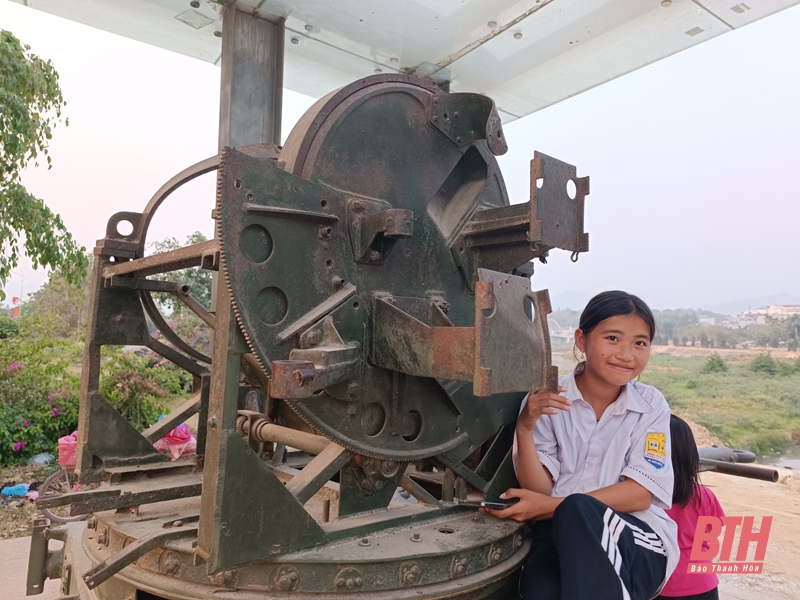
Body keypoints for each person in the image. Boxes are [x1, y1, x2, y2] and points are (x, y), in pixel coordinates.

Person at [485, 290, 679, 600]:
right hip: (560, 532)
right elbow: (541, 490)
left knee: (576, 508)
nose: (627, 354)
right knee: (539, 593)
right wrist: (524, 428)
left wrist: (549, 508)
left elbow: (640, 494)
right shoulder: (549, 399)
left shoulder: (650, 404)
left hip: (637, 540)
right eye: (613, 338)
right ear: (581, 339)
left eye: (640, 343)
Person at [656, 415, 725, 600]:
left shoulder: (642, 497)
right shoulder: (705, 496)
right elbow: (710, 533)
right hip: (703, 583)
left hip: (658, 583)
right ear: (690, 454)